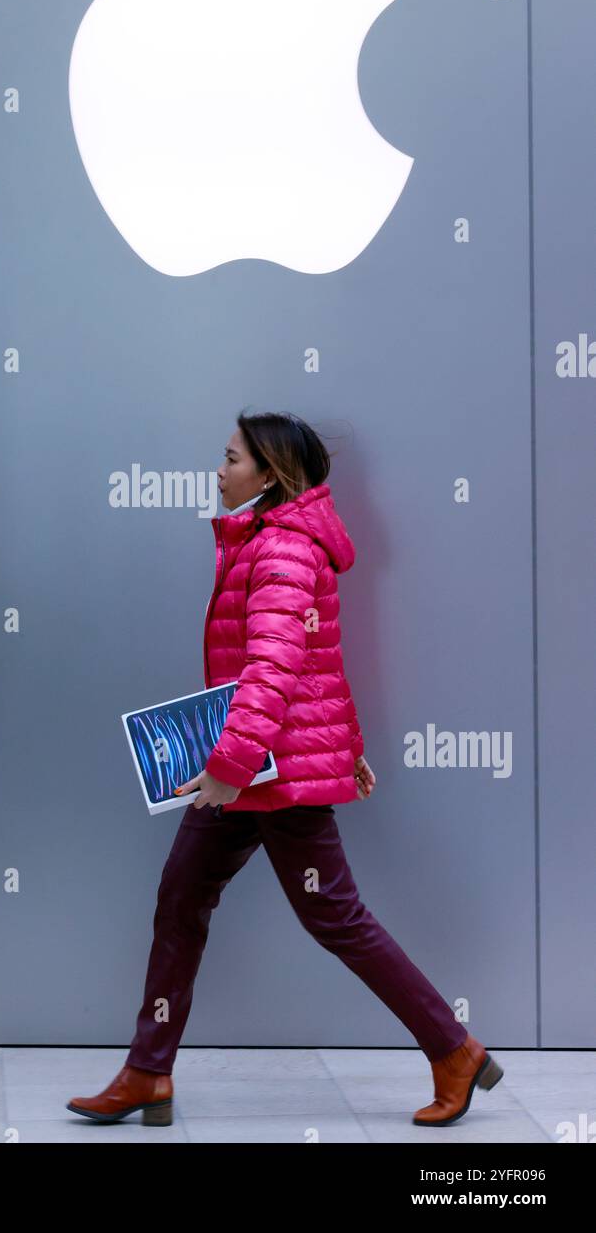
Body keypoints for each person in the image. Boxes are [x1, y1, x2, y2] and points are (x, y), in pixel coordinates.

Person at [66, 410, 503, 1129]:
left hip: (272, 776)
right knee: (181, 898)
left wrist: (232, 765)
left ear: (268, 474)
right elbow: (321, 663)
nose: (218, 469)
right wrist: (346, 745)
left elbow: (274, 670)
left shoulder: (281, 552)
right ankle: (148, 1071)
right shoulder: (265, 543)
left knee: (335, 917)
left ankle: (453, 1049)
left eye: (230, 458)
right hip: (252, 769)